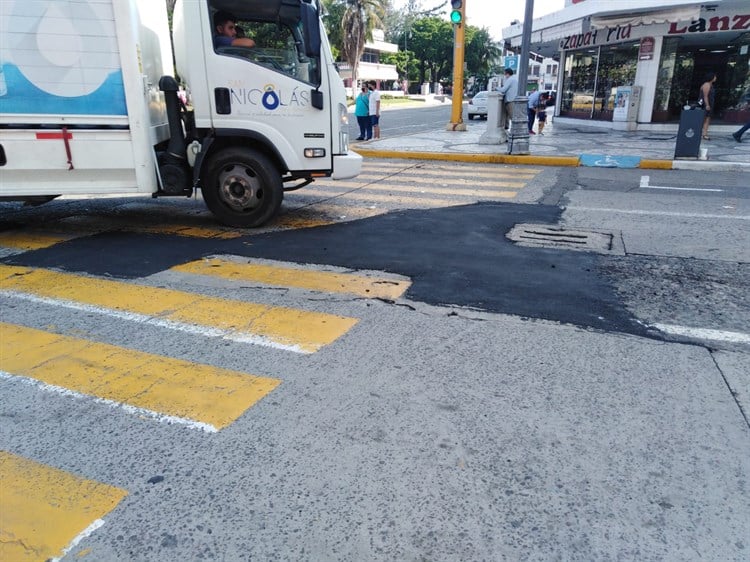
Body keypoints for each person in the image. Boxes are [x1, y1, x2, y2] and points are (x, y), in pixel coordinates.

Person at [698, 71, 717, 140]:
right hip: (706, 104)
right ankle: (701, 133)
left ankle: (705, 134)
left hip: (710, 103)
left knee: (707, 119)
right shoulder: (706, 85)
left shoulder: (710, 85)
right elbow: (705, 96)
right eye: (714, 77)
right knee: (704, 119)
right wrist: (707, 105)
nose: (715, 78)